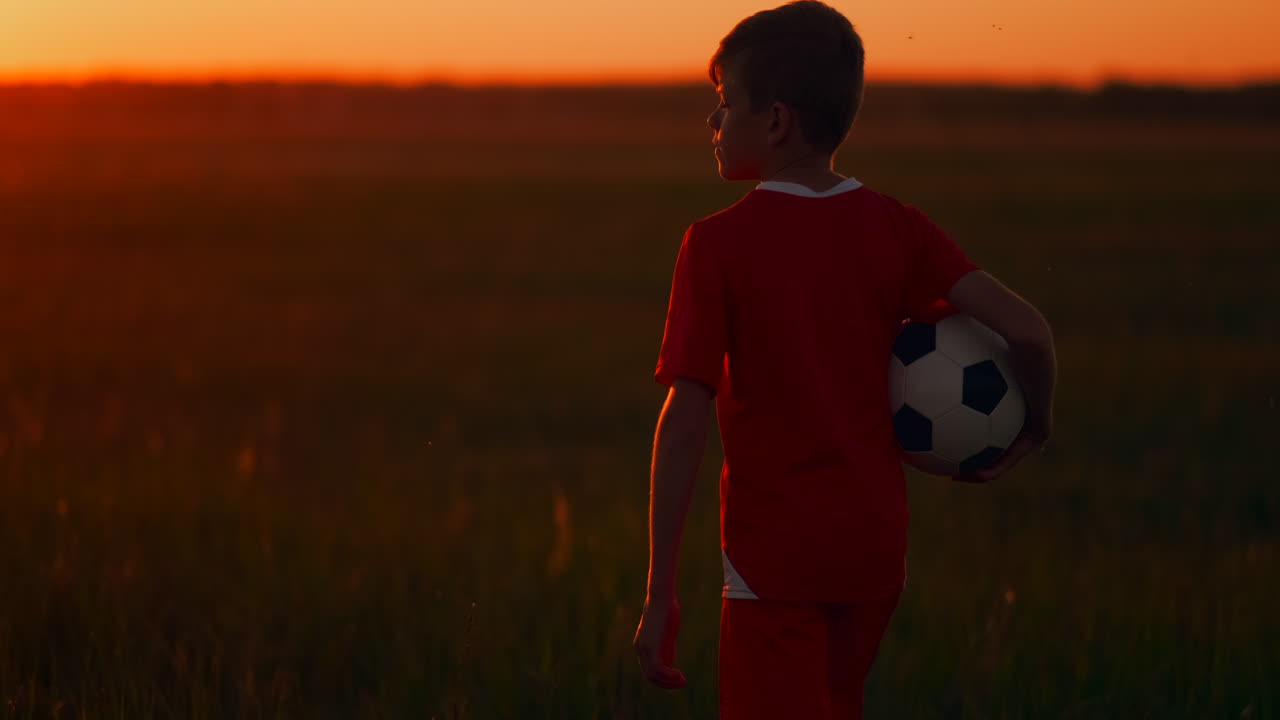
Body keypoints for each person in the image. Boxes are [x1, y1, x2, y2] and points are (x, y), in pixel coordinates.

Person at [631, 2, 1058, 718]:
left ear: (775, 121)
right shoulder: (899, 227)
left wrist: (658, 590)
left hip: (775, 565)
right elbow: (1031, 332)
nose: (713, 122)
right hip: (873, 558)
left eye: (724, 103)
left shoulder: (715, 245)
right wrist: (1035, 426)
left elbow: (685, 420)